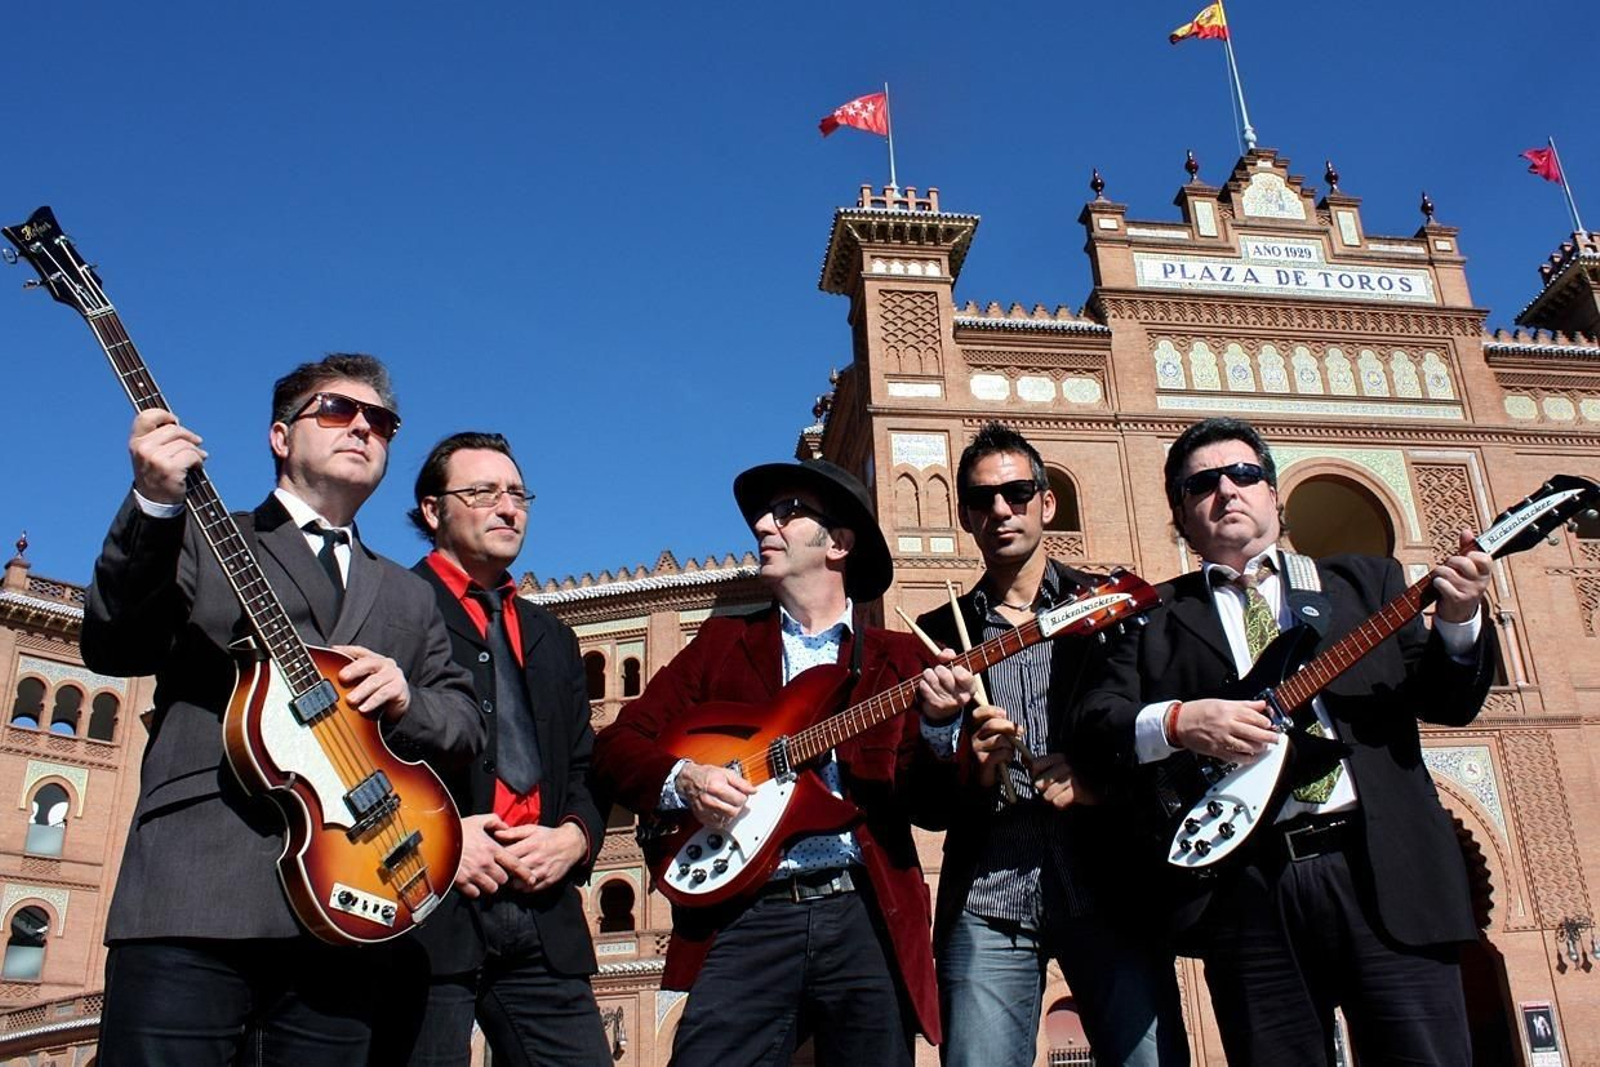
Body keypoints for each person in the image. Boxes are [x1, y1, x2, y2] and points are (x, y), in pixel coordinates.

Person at [81, 354, 485, 1064]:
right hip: (196, 894)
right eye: (335, 410)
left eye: (381, 421)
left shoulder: (409, 593)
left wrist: (407, 697)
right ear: (279, 436)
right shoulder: (203, 534)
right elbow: (117, 643)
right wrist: (153, 503)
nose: (361, 427)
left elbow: (465, 721)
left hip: (349, 908)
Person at [1070, 416, 1497, 1065]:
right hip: (1245, 889)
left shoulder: (1365, 585)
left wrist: (1460, 620)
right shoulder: (1153, 618)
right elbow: (1095, 725)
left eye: (1243, 474)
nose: (1226, 490)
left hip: (1385, 872)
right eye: (1201, 484)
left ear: (1273, 493)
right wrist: (1180, 722)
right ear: (1180, 515)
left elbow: (1450, 701)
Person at [592, 458, 958, 1065]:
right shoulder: (720, 646)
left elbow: (933, 808)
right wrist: (686, 779)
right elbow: (616, 746)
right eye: (764, 515)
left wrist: (942, 726)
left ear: (839, 544)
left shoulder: (898, 659)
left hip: (865, 914)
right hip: (746, 914)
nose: (764, 525)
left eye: (788, 513)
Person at [914, 422, 1187, 1066]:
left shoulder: (1111, 606)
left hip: (1108, 885)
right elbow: (924, 802)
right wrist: (966, 761)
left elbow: (1164, 746)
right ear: (965, 517)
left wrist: (1097, 787)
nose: (1001, 510)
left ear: (1047, 501)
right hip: (989, 895)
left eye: (1016, 493)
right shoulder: (937, 634)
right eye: (981, 499)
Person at [401, 431, 609, 1065]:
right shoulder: (392, 607)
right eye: (483, 492)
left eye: (518, 494)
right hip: (424, 910)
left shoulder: (555, 636)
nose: (507, 507)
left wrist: (574, 837)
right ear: (433, 510)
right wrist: (439, 841)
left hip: (543, 917)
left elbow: (584, 766)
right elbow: (346, 754)